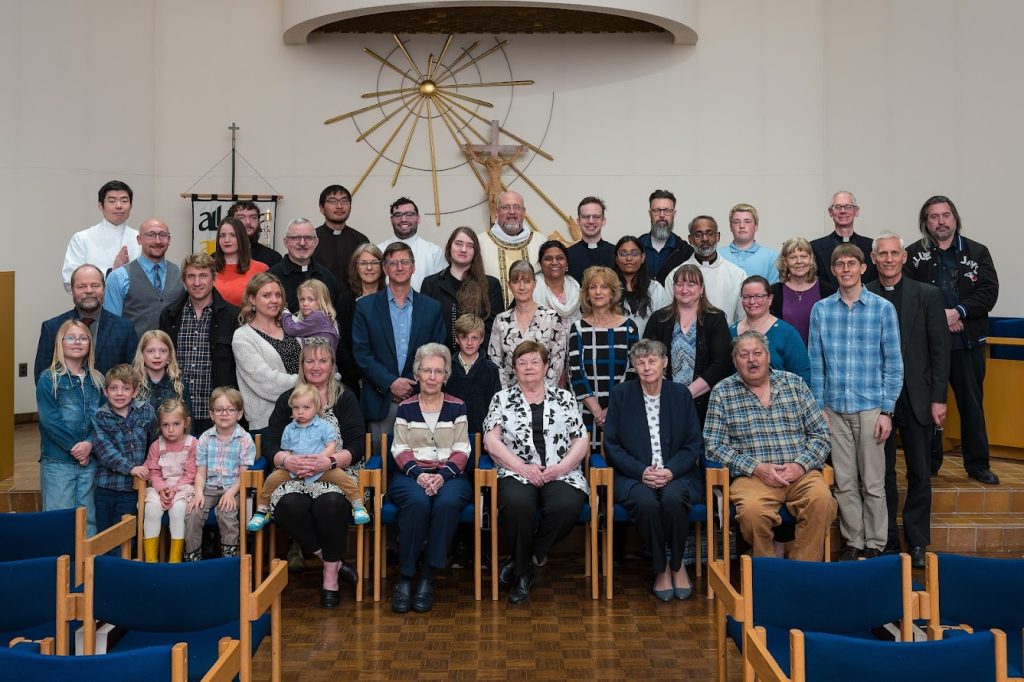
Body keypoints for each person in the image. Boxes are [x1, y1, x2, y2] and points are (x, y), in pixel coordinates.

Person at [704, 331, 836, 561]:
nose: (751, 360)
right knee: (752, 513)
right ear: (735, 362)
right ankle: (767, 571)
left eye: (757, 353)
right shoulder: (722, 392)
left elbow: (821, 434)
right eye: (743, 355)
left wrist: (800, 466)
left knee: (822, 501)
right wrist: (756, 467)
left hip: (799, 475)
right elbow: (713, 445)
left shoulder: (794, 384)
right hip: (753, 478)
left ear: (767, 356)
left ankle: (802, 571)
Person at [809, 244, 903, 560]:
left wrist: (887, 410)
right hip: (833, 409)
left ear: (864, 268)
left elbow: (894, 362)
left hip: (871, 407)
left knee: (874, 483)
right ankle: (854, 541)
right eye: (840, 264)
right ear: (833, 270)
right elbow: (816, 362)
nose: (846, 269)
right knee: (845, 482)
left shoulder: (882, 309)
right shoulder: (821, 310)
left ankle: (876, 543)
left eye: (852, 263)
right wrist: (819, 407)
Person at [483, 341, 589, 604]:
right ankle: (522, 575)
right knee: (517, 505)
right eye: (522, 362)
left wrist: (561, 468)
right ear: (514, 368)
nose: (528, 367)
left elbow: (581, 439)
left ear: (545, 367)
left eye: (534, 362)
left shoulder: (564, 398)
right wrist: (522, 468)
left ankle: (528, 559)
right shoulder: (502, 398)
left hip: (559, 470)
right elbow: (491, 441)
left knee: (568, 505)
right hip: (516, 471)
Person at [867, 231, 950, 567]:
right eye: (882, 254)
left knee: (919, 472)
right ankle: (886, 538)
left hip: (918, 396)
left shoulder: (928, 295)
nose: (888, 259)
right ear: (872, 259)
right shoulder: (865, 293)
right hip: (877, 400)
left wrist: (938, 398)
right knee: (880, 473)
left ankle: (917, 541)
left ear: (904, 257)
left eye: (894, 253)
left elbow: (940, 351)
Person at [262, 339, 366, 607]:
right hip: (293, 474)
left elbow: (357, 445)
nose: (316, 366)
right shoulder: (290, 399)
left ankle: (330, 578)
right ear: (302, 364)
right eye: (310, 361)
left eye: (323, 361)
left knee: (330, 504)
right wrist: (287, 461)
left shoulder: (345, 397)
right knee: (288, 505)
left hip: (335, 471)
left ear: (332, 365)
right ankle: (333, 561)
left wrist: (328, 462)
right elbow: (270, 442)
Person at [905, 195, 1000, 485]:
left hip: (966, 344)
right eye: (934, 216)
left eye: (946, 215)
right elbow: (908, 295)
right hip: (928, 349)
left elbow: (988, 292)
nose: (941, 221)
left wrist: (958, 312)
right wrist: (940, 318)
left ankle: (978, 464)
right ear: (925, 222)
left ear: (955, 218)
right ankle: (929, 463)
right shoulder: (911, 255)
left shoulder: (978, 252)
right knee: (927, 405)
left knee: (971, 405)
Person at [603, 339, 703, 601]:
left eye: (652, 361)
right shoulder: (620, 395)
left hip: (676, 474)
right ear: (634, 366)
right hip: (634, 476)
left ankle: (677, 563)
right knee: (646, 502)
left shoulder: (680, 394)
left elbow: (693, 443)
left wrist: (669, 471)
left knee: (672, 499)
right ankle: (661, 567)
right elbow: (611, 445)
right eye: (641, 362)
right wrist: (641, 472)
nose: (647, 367)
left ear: (664, 362)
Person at [388, 344, 473, 613]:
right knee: (417, 503)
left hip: (451, 476)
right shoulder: (406, 408)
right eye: (427, 370)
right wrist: (420, 475)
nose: (433, 377)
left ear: (446, 375)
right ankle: (405, 577)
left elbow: (462, 448)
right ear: (418, 374)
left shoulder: (457, 406)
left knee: (448, 503)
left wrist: (442, 476)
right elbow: (399, 448)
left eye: (438, 371)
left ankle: (427, 575)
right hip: (410, 475)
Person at [352, 242, 446, 444]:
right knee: (381, 466)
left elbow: (438, 352)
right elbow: (362, 353)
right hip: (381, 399)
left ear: (413, 266)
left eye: (404, 262)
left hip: (423, 397)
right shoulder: (365, 307)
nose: (399, 267)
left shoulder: (432, 308)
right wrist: (391, 383)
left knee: (423, 463)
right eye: (393, 263)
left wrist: (413, 383)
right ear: (385, 268)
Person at [246, 383, 368, 533]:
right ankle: (262, 511)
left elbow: (331, 446)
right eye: (296, 408)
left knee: (344, 479)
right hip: (296, 470)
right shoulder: (289, 429)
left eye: (306, 408)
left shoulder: (324, 426)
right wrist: (291, 461)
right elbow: (286, 449)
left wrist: (321, 460)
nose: (300, 412)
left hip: (322, 468)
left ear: (316, 408)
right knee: (271, 481)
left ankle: (358, 506)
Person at [159, 252, 239, 436]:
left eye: (203, 276)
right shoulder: (169, 315)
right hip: (178, 412)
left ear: (213, 278)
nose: (197, 283)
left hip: (216, 413)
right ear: (184, 281)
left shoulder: (232, 317)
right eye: (191, 276)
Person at [36, 319, 104, 535]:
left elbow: (104, 420)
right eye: (71, 337)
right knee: (58, 521)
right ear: (61, 343)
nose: (77, 342)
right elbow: (50, 422)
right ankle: (61, 568)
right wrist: (77, 448)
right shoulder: (49, 379)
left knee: (89, 520)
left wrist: (90, 445)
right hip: (58, 463)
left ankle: (89, 567)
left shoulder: (97, 380)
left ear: (90, 344)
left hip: (89, 462)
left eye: (83, 338)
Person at [643, 264, 732, 425]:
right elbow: (647, 358)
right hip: (663, 402)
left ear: (701, 288)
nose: (685, 290)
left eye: (691, 284)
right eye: (680, 284)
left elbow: (722, 364)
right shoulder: (659, 319)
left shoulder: (715, 319)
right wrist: (668, 393)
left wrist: (685, 394)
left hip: (706, 405)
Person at [184, 387, 256, 561]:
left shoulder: (245, 440)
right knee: (193, 512)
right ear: (211, 414)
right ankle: (192, 558)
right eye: (219, 409)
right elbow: (201, 472)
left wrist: (231, 493)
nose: (224, 414)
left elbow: (244, 476)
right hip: (208, 487)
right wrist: (198, 493)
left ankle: (229, 559)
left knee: (227, 513)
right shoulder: (205, 439)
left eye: (230, 409)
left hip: (234, 487)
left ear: (239, 414)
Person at [35, 264, 139, 381]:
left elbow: (133, 375)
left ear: (104, 288)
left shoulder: (125, 328)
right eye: (81, 286)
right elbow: (42, 377)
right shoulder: (52, 328)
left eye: (95, 285)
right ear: (72, 290)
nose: (89, 291)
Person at [568, 266, 639, 434]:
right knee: (587, 458)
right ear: (586, 294)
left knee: (619, 457)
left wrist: (611, 409)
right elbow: (576, 372)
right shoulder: (578, 328)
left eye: (604, 287)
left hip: (621, 408)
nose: (598, 292)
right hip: (586, 410)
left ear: (613, 293)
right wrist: (598, 412)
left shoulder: (629, 327)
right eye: (593, 287)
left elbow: (632, 370)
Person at [232, 273, 300, 433]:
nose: (274, 300)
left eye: (278, 295)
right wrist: (310, 383)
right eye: (266, 295)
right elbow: (267, 384)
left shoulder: (294, 324)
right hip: (269, 424)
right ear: (252, 299)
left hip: (307, 418)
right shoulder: (243, 337)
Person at [91, 364, 155, 533]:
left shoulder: (146, 411)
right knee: (104, 533)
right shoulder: (100, 416)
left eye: (126, 388)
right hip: (106, 487)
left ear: (134, 392)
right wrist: (131, 468)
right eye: (114, 388)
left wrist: (149, 470)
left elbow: (154, 443)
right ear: (105, 391)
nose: (119, 393)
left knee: (126, 534)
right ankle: (104, 561)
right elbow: (105, 451)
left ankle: (121, 560)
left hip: (132, 488)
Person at [421, 226, 504, 354]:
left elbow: (493, 330)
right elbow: (426, 328)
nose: (464, 249)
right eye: (458, 244)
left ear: (475, 252)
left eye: (470, 246)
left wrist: (473, 359)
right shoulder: (431, 284)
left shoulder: (490, 285)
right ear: (450, 247)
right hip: (441, 364)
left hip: (478, 363)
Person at [487, 260, 568, 389]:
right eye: (516, 281)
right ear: (509, 285)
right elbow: (495, 361)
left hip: (545, 396)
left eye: (527, 281)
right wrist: (509, 395)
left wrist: (539, 395)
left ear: (534, 284)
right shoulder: (501, 320)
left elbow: (557, 361)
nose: (522, 287)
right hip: (510, 398)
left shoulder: (551, 318)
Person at [103, 218, 184, 337]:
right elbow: (111, 326)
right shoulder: (118, 277)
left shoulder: (182, 274)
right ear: (139, 239)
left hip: (173, 353)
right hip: (134, 353)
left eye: (163, 235)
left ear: (169, 240)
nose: (157, 240)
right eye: (151, 235)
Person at [142, 399, 198, 563]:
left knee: (178, 510)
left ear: (186, 423)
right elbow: (153, 472)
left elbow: (191, 473)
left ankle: (175, 559)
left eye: (176, 424)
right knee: (150, 510)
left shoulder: (192, 444)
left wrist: (175, 489)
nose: (171, 430)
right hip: (160, 487)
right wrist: (162, 489)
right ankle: (151, 560)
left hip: (183, 487)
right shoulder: (156, 446)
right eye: (165, 425)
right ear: (160, 425)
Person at [664, 216, 746, 325]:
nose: (705, 239)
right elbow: (669, 316)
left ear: (718, 236)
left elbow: (742, 319)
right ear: (690, 239)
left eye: (710, 233)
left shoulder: (737, 275)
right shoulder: (675, 276)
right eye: (698, 234)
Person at [730, 276, 810, 384]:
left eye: (758, 296)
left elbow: (803, 375)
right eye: (746, 297)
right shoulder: (730, 332)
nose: (752, 301)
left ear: (770, 299)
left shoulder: (787, 333)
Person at [62, 180, 140, 291]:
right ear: (100, 206)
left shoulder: (141, 238)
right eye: (112, 201)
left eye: (124, 201)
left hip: (135, 306)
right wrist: (112, 273)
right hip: (96, 306)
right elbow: (70, 279)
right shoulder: (82, 238)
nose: (119, 206)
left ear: (131, 206)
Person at [478, 190, 542, 304]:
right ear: (497, 212)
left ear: (524, 212)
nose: (512, 212)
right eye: (506, 207)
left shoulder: (540, 241)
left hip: (536, 317)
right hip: (492, 316)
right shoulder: (480, 242)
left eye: (517, 207)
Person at [769, 237, 836, 346]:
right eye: (793, 257)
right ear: (785, 262)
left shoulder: (828, 291)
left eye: (804, 256)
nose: (799, 261)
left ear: (811, 259)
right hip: (785, 357)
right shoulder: (774, 292)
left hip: (819, 357)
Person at [444, 314, 502, 434]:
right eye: (464, 337)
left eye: (474, 338)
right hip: (450, 432)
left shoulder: (491, 369)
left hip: (481, 433)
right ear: (456, 339)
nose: (469, 343)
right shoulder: (446, 367)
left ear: (481, 339)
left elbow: (496, 405)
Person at [269, 218, 340, 312]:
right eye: (295, 238)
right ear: (285, 242)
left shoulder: (328, 277)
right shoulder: (271, 278)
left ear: (316, 242)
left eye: (308, 238)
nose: (302, 243)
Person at [810, 191, 878, 288]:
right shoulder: (814, 248)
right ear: (830, 212)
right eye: (837, 207)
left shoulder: (871, 246)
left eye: (848, 207)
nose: (843, 211)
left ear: (856, 211)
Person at [376, 197, 446, 290]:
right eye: (398, 215)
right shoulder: (379, 250)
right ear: (391, 220)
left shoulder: (434, 252)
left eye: (409, 214)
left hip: (424, 304)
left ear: (418, 218)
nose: (404, 219)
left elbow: (440, 289)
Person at [613, 235, 671, 339]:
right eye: (623, 254)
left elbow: (665, 324)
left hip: (649, 351)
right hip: (616, 350)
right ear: (616, 259)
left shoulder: (656, 289)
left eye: (634, 254)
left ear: (642, 257)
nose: (629, 258)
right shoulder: (608, 289)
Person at [313, 184, 369, 290]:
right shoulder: (311, 239)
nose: (339, 206)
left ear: (350, 207)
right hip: (320, 302)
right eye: (333, 201)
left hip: (355, 303)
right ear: (322, 208)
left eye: (344, 201)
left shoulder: (361, 240)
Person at [132, 329, 192, 428]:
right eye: (150, 351)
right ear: (142, 354)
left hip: (173, 442)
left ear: (169, 355)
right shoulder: (134, 384)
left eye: (163, 351)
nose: (157, 356)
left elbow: (188, 420)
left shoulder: (179, 384)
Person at [638, 189, 693, 282]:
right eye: (657, 210)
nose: (662, 215)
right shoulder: (637, 247)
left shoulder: (685, 251)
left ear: (674, 214)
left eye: (667, 210)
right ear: (650, 214)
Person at [213, 216, 269, 306]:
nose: (226, 240)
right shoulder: (207, 268)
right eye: (222, 235)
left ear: (241, 238)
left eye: (233, 235)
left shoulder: (261, 269)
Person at [719, 203, 779, 283]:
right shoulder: (718, 255)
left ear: (756, 226)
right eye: (736, 222)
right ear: (730, 227)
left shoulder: (772, 257)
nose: (742, 226)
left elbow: (773, 291)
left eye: (747, 221)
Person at [281, 279, 340, 353]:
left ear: (322, 301)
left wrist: (284, 312)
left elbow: (292, 329)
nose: (305, 303)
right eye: (302, 299)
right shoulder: (325, 317)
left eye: (311, 299)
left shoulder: (318, 317)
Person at [566, 196, 615, 283]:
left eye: (596, 216)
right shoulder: (567, 255)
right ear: (578, 221)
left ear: (603, 221)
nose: (591, 221)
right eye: (585, 217)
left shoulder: (615, 253)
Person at [533, 240, 581, 324]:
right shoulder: (530, 288)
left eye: (560, 258)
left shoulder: (576, 289)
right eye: (548, 259)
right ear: (540, 264)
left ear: (567, 263)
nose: (554, 262)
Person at [228, 200, 281, 268]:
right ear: (230, 222)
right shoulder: (217, 258)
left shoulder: (273, 258)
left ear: (259, 222)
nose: (248, 222)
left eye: (253, 217)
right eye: (241, 218)